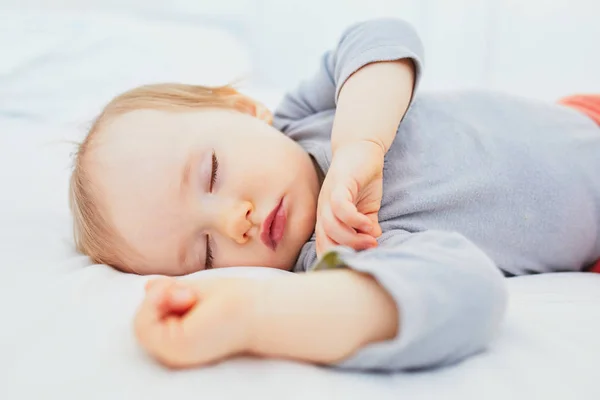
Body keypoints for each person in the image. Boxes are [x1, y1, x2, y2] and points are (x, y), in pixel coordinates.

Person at [69, 18, 600, 371]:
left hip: (578, 115)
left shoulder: (308, 118)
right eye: (206, 252)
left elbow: (382, 37)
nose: (236, 221)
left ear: (243, 110)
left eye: (211, 173)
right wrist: (256, 316)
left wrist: (359, 142)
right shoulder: (338, 256)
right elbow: (466, 294)